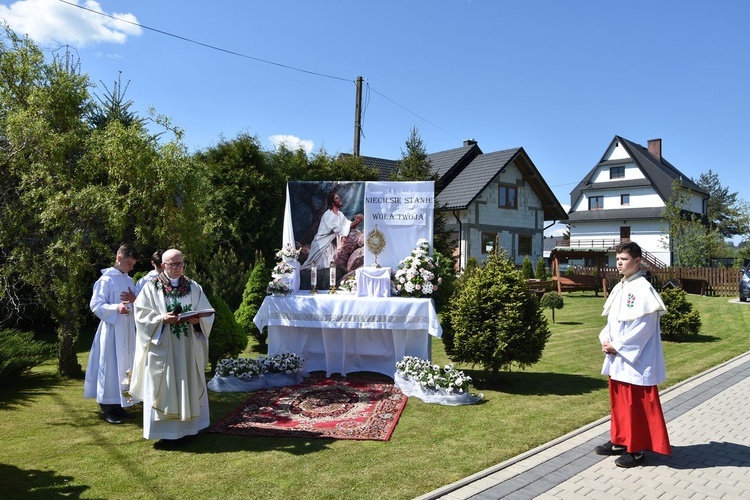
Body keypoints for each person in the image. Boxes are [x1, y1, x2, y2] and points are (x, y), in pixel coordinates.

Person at [595, 241, 671, 468]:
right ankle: (620, 440)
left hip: (635, 360)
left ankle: (636, 450)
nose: (619, 263)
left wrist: (617, 346)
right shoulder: (621, 286)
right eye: (617, 259)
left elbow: (643, 328)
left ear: (637, 261)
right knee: (619, 402)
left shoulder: (643, 289)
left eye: (624, 259)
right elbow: (612, 320)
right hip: (618, 357)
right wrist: (605, 339)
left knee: (634, 404)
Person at [130, 248, 214, 448]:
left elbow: (206, 313)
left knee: (188, 383)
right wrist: (161, 319)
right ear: (163, 266)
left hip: (187, 347)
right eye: (173, 264)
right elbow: (141, 316)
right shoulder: (151, 288)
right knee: (166, 386)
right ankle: (167, 433)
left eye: (181, 263)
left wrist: (196, 320)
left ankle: (189, 429)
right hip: (164, 347)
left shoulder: (194, 287)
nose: (178, 268)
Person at [84, 243, 140, 425]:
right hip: (112, 329)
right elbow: (96, 305)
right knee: (110, 366)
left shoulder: (128, 280)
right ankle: (107, 407)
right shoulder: (106, 280)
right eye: (129, 264)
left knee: (125, 366)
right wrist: (116, 307)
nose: (132, 268)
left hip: (127, 329)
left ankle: (119, 404)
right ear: (119, 259)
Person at [300, 192, 363, 272]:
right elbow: (339, 229)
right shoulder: (328, 215)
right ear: (332, 203)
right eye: (336, 198)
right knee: (319, 265)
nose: (339, 199)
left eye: (339, 197)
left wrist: (357, 221)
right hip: (322, 244)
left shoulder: (340, 214)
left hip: (332, 245)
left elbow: (348, 226)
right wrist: (355, 222)